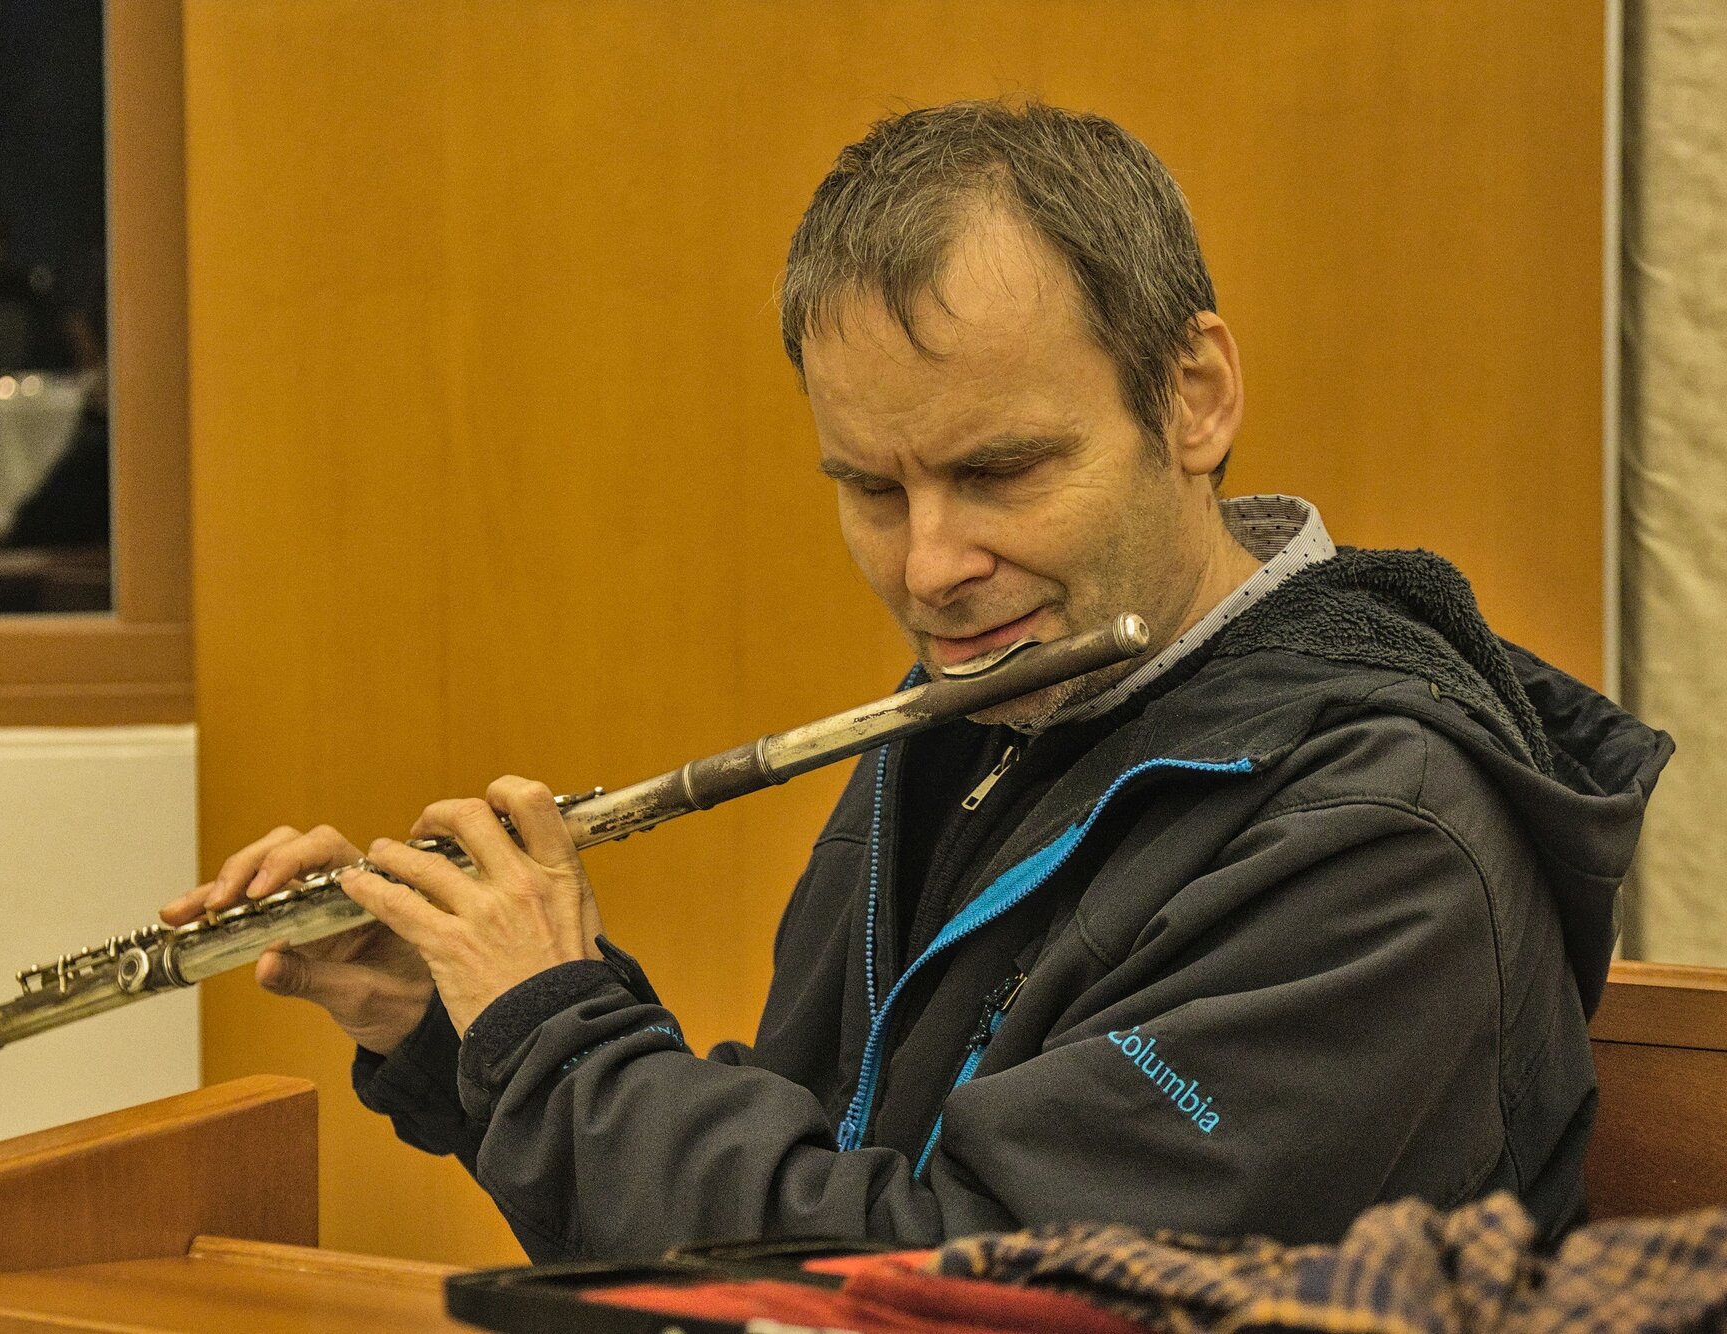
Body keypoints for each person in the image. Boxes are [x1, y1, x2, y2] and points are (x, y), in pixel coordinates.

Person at [161, 100, 1671, 1260]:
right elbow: (819, 1179)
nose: (933, 566)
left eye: (1000, 471)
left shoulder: (1381, 842)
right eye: (873, 490)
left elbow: (950, 1284)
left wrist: (552, 1037)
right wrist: (461, 1022)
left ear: (1194, 395)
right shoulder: (999, 712)